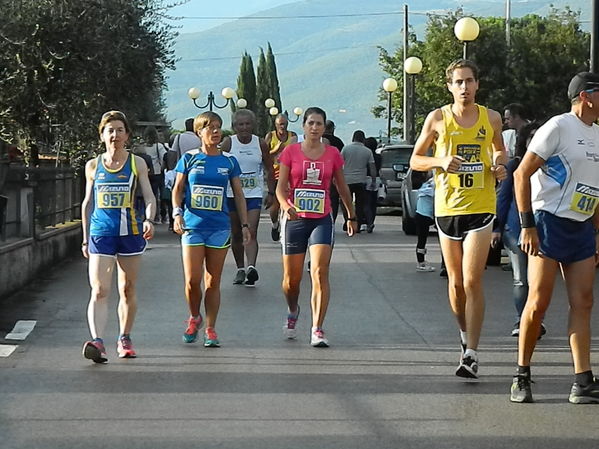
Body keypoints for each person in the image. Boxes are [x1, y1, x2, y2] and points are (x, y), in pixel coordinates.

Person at [410, 59, 507, 379]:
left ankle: (472, 353)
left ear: (478, 84)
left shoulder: (491, 118)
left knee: (472, 279)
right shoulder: (438, 118)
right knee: (455, 283)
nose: (464, 87)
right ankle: (464, 337)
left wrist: (499, 165)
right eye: (458, 82)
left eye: (469, 81)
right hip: (448, 207)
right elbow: (416, 159)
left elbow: (499, 151)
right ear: (450, 86)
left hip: (481, 204)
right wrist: (440, 160)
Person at [510, 72, 599, 404]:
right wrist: (527, 225)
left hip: (581, 227)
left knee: (584, 302)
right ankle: (522, 374)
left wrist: (597, 231)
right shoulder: (558, 127)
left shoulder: (598, 135)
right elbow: (521, 174)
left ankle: (582, 381)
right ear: (586, 96)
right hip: (547, 223)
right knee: (539, 302)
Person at [276, 107, 357, 347]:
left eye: (319, 123)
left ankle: (317, 327)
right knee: (292, 280)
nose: (314, 127)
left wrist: (351, 215)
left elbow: (342, 187)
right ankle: (293, 310)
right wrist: (285, 204)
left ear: (324, 127)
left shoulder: (332, 153)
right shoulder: (290, 152)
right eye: (310, 123)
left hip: (322, 217)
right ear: (303, 126)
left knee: (319, 272)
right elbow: (280, 186)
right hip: (295, 219)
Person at [80, 110, 156, 363]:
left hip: (131, 233)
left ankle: (125, 337)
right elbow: (87, 203)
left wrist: (149, 219)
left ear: (127, 135)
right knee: (100, 289)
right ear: (102, 135)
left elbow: (149, 197)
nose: (115, 135)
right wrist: (84, 237)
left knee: (127, 288)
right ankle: (97, 342)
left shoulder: (137, 164)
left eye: (119, 130)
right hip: (101, 234)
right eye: (109, 130)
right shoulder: (93, 166)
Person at [171, 111, 251, 348]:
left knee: (213, 281)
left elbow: (238, 194)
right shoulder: (189, 158)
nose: (215, 132)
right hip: (193, 227)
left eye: (218, 127)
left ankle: (210, 328)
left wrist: (245, 225)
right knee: (192, 280)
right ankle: (194, 316)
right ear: (199, 132)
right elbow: (178, 188)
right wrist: (177, 213)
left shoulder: (228, 161)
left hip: (219, 227)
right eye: (209, 127)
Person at [491, 122, 543, 337]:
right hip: (515, 229)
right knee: (521, 278)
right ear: (523, 141)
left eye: (538, 135)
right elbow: (502, 199)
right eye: (531, 136)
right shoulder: (514, 166)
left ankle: (536, 320)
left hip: (543, 229)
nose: (534, 139)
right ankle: (521, 320)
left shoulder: (552, 164)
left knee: (538, 280)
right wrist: (497, 228)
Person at [221, 110, 275, 287]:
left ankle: (251, 267)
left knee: (250, 230)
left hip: (253, 194)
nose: (244, 128)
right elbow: (220, 167)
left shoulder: (260, 143)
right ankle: (240, 269)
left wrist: (272, 192)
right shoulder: (229, 143)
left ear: (253, 125)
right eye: (240, 124)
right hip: (232, 195)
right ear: (234, 126)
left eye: (247, 124)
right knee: (236, 233)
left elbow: (269, 169)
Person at [265, 113, 298, 241]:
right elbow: (264, 155)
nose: (282, 127)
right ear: (276, 124)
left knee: (289, 204)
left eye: (284, 124)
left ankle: (287, 229)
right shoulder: (270, 136)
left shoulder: (292, 136)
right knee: (274, 207)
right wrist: (276, 150)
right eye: (280, 124)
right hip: (274, 174)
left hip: (290, 175)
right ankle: (275, 224)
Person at [341, 130, 376, 232]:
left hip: (347, 180)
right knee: (360, 204)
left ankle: (348, 219)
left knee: (346, 202)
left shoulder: (346, 149)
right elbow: (372, 167)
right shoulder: (367, 151)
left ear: (353, 137)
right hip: (361, 181)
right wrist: (373, 180)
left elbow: (338, 163)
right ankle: (358, 224)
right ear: (363, 139)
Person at [140, 126, 166, 223]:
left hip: (145, 172)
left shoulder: (142, 146)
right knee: (156, 195)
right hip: (157, 172)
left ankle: (147, 215)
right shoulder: (158, 146)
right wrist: (162, 167)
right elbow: (164, 157)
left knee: (146, 195)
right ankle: (157, 216)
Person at [323, 120, 345, 222]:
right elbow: (342, 159)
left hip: (319, 173)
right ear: (332, 129)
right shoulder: (338, 142)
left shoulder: (318, 140)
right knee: (334, 198)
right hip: (333, 174)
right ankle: (332, 219)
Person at [414, 173, 436, 272]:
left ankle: (421, 261)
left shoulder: (426, 184)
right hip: (425, 215)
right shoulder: (433, 186)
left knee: (421, 240)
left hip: (420, 214)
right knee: (422, 240)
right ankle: (421, 263)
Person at [364, 136, 381, 232]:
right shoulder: (379, 157)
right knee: (373, 203)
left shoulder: (366, 155)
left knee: (366, 202)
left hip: (367, 178)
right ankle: (371, 222)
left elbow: (370, 168)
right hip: (377, 179)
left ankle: (368, 222)